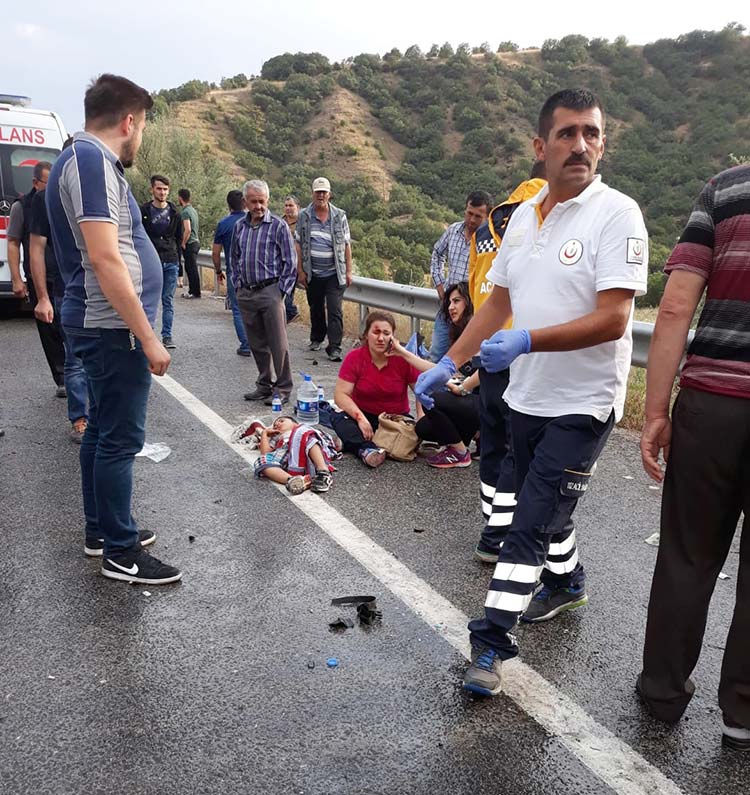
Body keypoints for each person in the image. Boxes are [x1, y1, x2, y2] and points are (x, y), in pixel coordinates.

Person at [416, 88, 648, 695]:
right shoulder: (520, 217)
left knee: (527, 518)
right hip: (526, 397)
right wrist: (449, 360)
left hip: (585, 402)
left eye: (591, 133)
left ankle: (490, 643)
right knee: (545, 506)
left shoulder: (618, 214)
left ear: (603, 142)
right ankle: (567, 583)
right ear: (541, 147)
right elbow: (499, 301)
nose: (581, 145)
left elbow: (614, 319)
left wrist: (527, 343)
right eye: (568, 134)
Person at [45, 73, 181, 585]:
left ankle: (102, 531)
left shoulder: (83, 160)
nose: (140, 137)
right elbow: (105, 258)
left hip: (99, 324)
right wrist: (148, 335)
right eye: (142, 126)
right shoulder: (90, 162)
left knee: (101, 431)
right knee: (121, 439)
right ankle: (121, 552)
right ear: (129, 122)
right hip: (110, 326)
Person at [637, 164, 750, 750]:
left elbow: (676, 308)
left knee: (688, 554)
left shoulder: (726, 189)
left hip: (712, 407)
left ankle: (662, 693)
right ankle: (743, 713)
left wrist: (657, 411)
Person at [468, 164, 547, 562]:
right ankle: (500, 533)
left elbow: (473, 284)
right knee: (525, 453)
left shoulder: (487, 227)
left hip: (488, 351)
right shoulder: (542, 216)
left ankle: (489, 520)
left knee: (493, 442)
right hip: (525, 352)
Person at [28, 168, 90, 443]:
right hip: (70, 291)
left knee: (103, 358)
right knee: (75, 358)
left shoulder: (95, 192)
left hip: (103, 291)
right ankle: (80, 420)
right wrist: (42, 296)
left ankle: (100, 417)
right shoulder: (44, 199)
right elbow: (36, 248)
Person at [390, 283, 480, 469]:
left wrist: (463, 387)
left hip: (490, 403)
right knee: (423, 427)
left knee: (431, 397)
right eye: (448, 302)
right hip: (472, 403)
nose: (450, 307)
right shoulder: (458, 333)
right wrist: (402, 353)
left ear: (469, 302)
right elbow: (439, 369)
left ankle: (460, 453)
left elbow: (488, 370)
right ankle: (478, 437)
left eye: (456, 301)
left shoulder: (479, 329)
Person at [231, 179, 297, 406]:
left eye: (262, 201)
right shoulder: (240, 226)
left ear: (267, 200)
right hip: (247, 292)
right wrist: (238, 285)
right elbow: (235, 258)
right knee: (257, 343)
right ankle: (264, 384)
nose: (258, 206)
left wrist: (281, 292)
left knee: (278, 343)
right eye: (254, 201)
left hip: (270, 291)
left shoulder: (278, 226)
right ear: (245, 202)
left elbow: (290, 261)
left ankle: (284, 388)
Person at [329, 311, 422, 468]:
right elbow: (341, 395)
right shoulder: (354, 358)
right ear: (366, 335)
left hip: (393, 419)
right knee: (337, 417)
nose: (381, 338)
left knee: (407, 435)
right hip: (363, 415)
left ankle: (352, 443)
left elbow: (421, 390)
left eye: (386, 333)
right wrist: (360, 418)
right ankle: (367, 450)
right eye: (376, 332)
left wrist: (421, 416)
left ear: (393, 337)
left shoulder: (402, 359)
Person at [7, 161, 67, 397]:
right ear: (35, 182)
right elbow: (13, 242)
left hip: (63, 274)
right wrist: (16, 279)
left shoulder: (60, 202)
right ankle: (61, 375)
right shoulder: (22, 206)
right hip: (38, 276)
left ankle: (74, 372)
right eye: (48, 183)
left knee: (67, 325)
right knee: (48, 328)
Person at [429, 191, 491, 362]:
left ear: (486, 217)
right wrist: (440, 285)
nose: (472, 220)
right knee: (437, 354)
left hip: (473, 312)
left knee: (467, 362)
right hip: (448, 307)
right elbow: (437, 254)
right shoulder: (453, 231)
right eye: (469, 213)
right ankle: (432, 388)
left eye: (478, 216)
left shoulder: (489, 240)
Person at [295, 177, 352, 362]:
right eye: (318, 192)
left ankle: (334, 347)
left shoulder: (339, 215)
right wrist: (300, 271)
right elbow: (298, 243)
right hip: (313, 272)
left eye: (324, 192)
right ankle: (317, 338)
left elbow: (346, 244)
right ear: (312, 193)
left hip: (334, 272)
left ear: (329, 194)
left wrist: (348, 271)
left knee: (335, 310)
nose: (321, 195)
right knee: (316, 307)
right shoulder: (304, 215)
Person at [140, 175, 183, 349]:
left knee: (168, 300)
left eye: (165, 189)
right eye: (159, 188)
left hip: (170, 260)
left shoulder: (175, 214)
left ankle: (167, 335)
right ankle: (145, 333)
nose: (162, 192)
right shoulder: (143, 211)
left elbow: (179, 240)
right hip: (150, 260)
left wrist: (180, 267)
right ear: (152, 189)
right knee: (147, 299)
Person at [254, 415, 335, 495]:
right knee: (261, 461)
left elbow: (325, 441)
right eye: (274, 426)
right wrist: (264, 433)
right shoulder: (278, 438)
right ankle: (295, 480)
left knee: (308, 438)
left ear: (295, 424)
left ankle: (323, 472)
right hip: (286, 454)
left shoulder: (303, 430)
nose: (277, 424)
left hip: (306, 451)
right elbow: (266, 454)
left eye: (281, 421)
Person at [213, 189, 251, 356]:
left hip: (234, 272)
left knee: (237, 309)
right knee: (255, 308)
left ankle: (245, 345)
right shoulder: (252, 221)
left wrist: (218, 270)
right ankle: (259, 343)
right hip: (253, 272)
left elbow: (215, 253)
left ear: (228, 205)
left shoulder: (224, 224)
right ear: (244, 203)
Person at [178, 188, 201, 298]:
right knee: (192, 267)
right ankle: (194, 291)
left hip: (190, 243)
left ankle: (194, 292)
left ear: (180, 198)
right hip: (196, 241)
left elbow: (187, 229)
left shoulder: (185, 212)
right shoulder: (193, 210)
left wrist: (183, 242)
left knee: (191, 268)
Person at [282, 195, 300, 323]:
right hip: (282, 263)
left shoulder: (303, 223)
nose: (288, 208)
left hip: (298, 264)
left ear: (298, 207)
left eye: (291, 205)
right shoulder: (280, 222)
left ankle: (290, 311)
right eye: (286, 205)